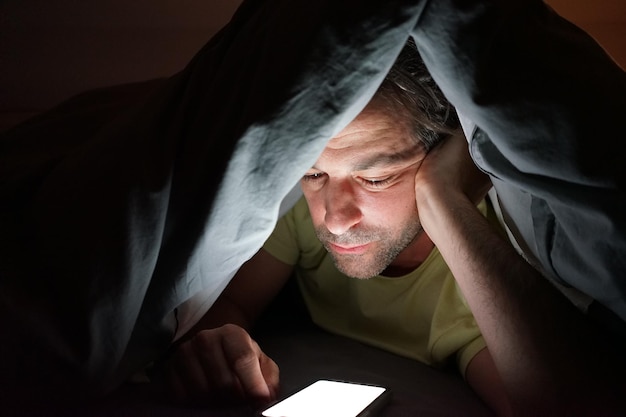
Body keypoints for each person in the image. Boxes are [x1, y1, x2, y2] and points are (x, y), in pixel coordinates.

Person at [158, 39, 512, 416]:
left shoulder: (474, 287)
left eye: (375, 179)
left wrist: (445, 194)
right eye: (313, 173)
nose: (334, 219)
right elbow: (233, 302)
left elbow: (547, 401)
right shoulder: (297, 208)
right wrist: (222, 342)